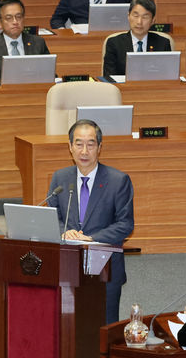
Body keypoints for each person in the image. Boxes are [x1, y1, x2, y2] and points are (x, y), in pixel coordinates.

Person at [46, 119, 134, 324]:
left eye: (90, 144)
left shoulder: (118, 181)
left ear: (100, 148)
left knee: (104, 327)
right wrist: (64, 232)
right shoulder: (60, 178)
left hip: (105, 268)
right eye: (78, 144)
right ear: (70, 147)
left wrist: (91, 238)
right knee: (68, 325)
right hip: (67, 265)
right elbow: (53, 215)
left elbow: (125, 224)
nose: (84, 151)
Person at [0, 0, 50, 84]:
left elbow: (50, 75)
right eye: (9, 18)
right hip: (0, 95)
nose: (15, 22)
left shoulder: (38, 42)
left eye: (18, 17)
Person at [103, 0, 172, 76]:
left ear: (153, 21)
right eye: (136, 16)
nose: (139, 22)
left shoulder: (163, 43)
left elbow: (168, 76)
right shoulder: (114, 43)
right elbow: (109, 78)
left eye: (145, 17)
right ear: (128, 16)